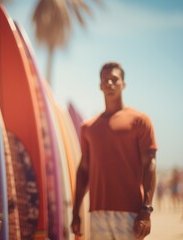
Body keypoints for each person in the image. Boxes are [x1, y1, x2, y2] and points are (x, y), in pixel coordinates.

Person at [71, 62, 158, 240]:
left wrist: (146, 210)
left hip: (131, 213)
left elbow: (150, 164)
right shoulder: (88, 127)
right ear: (100, 86)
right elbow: (84, 170)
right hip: (97, 213)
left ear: (123, 84)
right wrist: (75, 212)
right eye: (105, 80)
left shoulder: (140, 121)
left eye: (114, 79)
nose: (110, 83)